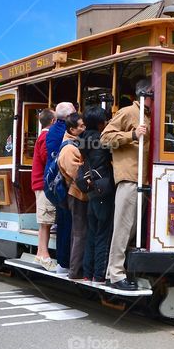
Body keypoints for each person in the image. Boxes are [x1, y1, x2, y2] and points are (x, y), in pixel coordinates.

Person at [100, 79, 154, 294]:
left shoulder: (150, 116)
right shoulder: (129, 112)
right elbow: (104, 139)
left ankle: (114, 271)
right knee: (123, 228)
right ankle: (115, 273)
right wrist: (131, 135)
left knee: (131, 229)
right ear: (146, 94)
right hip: (129, 177)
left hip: (143, 179)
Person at [79, 106, 114, 283]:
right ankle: (98, 275)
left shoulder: (83, 139)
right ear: (100, 124)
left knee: (91, 233)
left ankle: (87, 273)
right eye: (105, 121)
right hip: (103, 189)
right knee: (102, 234)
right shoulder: (101, 140)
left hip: (91, 190)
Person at [45, 102, 76, 273]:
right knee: (67, 223)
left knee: (64, 221)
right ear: (69, 116)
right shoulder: (65, 132)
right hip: (63, 184)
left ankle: (62, 262)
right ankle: (64, 262)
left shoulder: (52, 130)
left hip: (55, 184)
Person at [58, 112, 87, 279]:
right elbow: (76, 173)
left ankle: (75, 268)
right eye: (81, 126)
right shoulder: (69, 148)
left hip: (76, 193)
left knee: (78, 231)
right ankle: (75, 270)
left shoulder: (74, 143)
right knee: (79, 232)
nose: (84, 128)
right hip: (76, 194)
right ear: (72, 129)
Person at [31, 108, 56, 270]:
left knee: (44, 223)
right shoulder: (46, 136)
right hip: (43, 184)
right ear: (53, 121)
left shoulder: (42, 135)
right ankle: (44, 255)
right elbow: (47, 157)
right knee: (46, 221)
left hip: (40, 183)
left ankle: (40, 254)